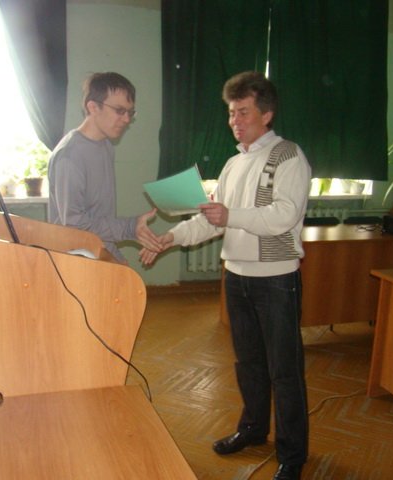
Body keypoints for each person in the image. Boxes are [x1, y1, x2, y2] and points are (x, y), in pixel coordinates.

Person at [142, 71, 311, 480]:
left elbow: (284, 216)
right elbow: (212, 220)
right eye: (231, 112)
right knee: (248, 362)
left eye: (243, 112)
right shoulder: (234, 163)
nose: (235, 120)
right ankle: (253, 429)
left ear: (266, 114)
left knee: (284, 371)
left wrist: (230, 215)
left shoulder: (289, 156)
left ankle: (292, 455)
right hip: (235, 276)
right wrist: (169, 238)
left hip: (276, 278)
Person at [48, 72, 162, 263]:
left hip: (99, 248)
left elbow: (99, 215)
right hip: (77, 257)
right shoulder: (69, 156)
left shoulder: (106, 145)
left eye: (130, 112)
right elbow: (74, 225)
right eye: (119, 110)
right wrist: (129, 227)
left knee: (128, 279)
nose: (126, 119)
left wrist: (118, 250)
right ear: (93, 107)